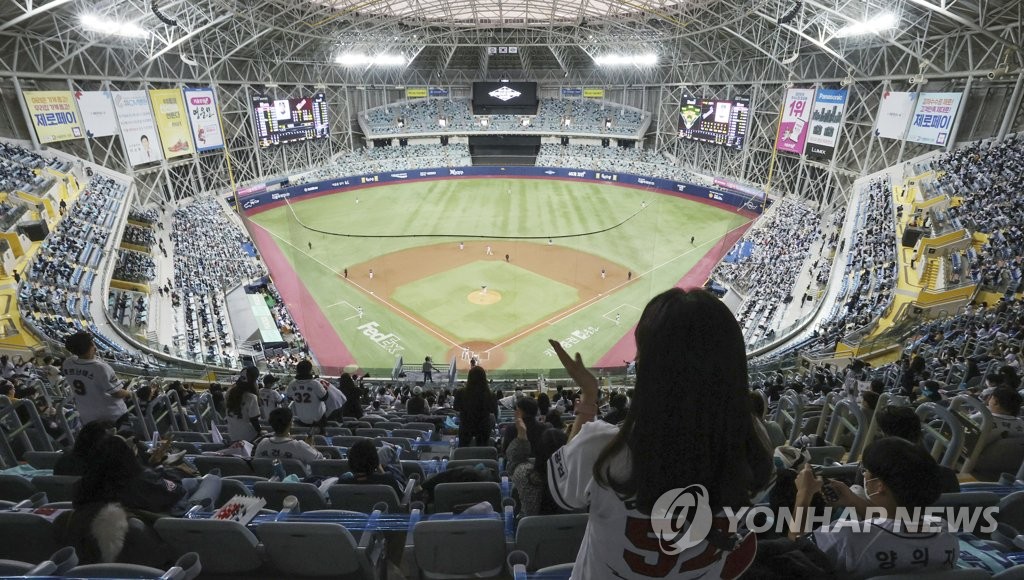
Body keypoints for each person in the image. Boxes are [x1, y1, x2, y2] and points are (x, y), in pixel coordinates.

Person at [547, 288, 774, 578]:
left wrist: (589, 397)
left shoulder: (602, 447)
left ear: (649, 372)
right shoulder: (757, 449)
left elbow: (567, 495)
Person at [793, 437, 959, 578]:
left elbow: (793, 552)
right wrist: (852, 500)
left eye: (866, 471)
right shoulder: (946, 534)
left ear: (879, 485)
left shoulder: (845, 537)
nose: (864, 475)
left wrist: (803, 495)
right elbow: (893, 526)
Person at [62, 332, 132, 427]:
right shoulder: (100, 368)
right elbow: (117, 393)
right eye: (92, 343)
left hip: (88, 416)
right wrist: (130, 393)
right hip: (113, 415)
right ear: (91, 347)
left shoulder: (67, 363)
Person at [508, 420, 567, 516]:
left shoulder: (524, 474)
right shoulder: (576, 481)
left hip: (528, 530)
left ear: (538, 450)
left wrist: (522, 438)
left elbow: (512, 465)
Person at [254, 407, 325, 472]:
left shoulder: (262, 443)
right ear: (291, 423)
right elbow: (319, 461)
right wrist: (310, 447)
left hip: (269, 483)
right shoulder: (299, 446)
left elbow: (257, 464)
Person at [340, 439, 407, 496]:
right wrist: (381, 471)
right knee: (387, 450)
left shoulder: (343, 481)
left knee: (386, 449)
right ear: (375, 461)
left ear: (350, 461)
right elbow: (402, 495)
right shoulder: (387, 480)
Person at [456, 366, 494, 447]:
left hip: (465, 426)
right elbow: (493, 411)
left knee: (463, 450)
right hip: (484, 427)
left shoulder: (460, 392)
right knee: (483, 452)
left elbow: (456, 407)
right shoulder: (491, 394)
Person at [286, 360, 328, 432]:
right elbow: (325, 397)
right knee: (320, 437)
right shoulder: (315, 384)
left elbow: (290, 397)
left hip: (302, 418)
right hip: (318, 419)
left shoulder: (292, 384)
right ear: (310, 370)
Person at [226, 367, 262, 443]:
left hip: (232, 434)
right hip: (248, 437)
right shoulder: (252, 397)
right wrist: (260, 432)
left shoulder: (229, 393)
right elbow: (254, 420)